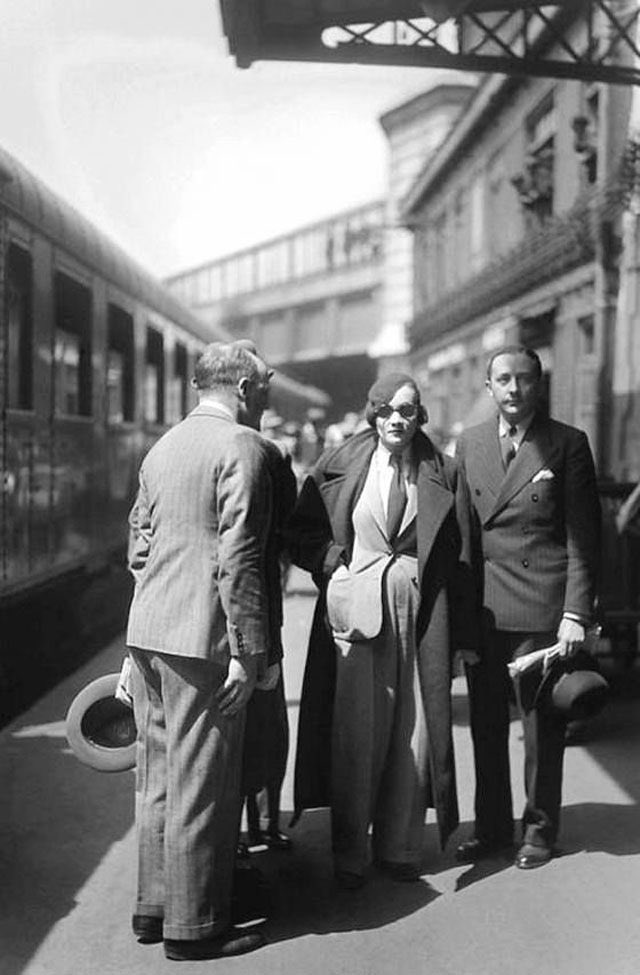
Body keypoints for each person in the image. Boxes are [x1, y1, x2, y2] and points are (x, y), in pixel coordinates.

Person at [288, 373, 476, 888]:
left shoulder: (444, 471)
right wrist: (332, 564)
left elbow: (462, 559)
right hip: (357, 611)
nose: (398, 419)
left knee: (412, 731)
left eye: (409, 411)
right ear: (373, 413)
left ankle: (400, 848)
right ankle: (351, 852)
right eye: (388, 410)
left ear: (421, 418)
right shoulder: (339, 464)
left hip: (420, 611)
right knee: (356, 734)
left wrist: (462, 640)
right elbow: (300, 532)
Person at [126, 341, 274, 961]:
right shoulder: (243, 447)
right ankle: (195, 929)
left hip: (150, 630)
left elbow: (138, 546)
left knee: (158, 778)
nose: (268, 394)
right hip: (202, 637)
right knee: (202, 782)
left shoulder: (164, 447)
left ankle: (154, 907)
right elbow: (238, 559)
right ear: (242, 387)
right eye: (265, 384)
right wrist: (248, 651)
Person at [455, 345, 601, 870]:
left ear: (538, 385)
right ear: (488, 387)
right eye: (502, 380)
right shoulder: (469, 445)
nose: (513, 390)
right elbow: (464, 537)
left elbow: (585, 537)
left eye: (523, 379)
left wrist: (576, 613)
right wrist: (460, 619)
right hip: (486, 611)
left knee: (542, 729)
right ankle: (491, 826)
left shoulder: (566, 444)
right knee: (486, 727)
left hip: (542, 611)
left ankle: (540, 828)